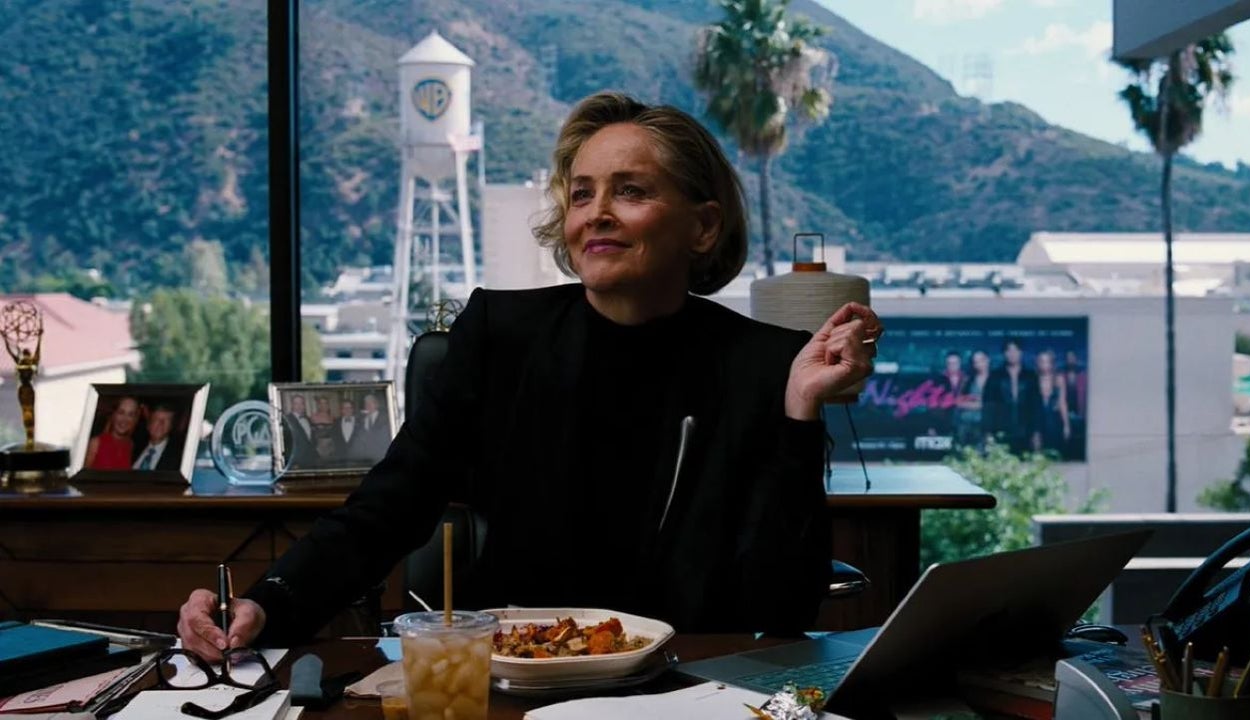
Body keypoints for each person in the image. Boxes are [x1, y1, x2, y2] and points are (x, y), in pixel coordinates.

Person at [176, 91, 881, 660]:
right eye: (581, 194)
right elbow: (387, 509)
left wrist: (799, 413)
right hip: (517, 675)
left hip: (687, 684)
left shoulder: (766, 363)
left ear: (702, 227)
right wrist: (269, 601)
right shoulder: (500, 335)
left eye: (630, 191)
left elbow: (784, 603)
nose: (596, 214)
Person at [983, 338, 1037, 453]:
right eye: (1009, 350)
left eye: (1015, 350)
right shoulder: (995, 376)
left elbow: (1036, 405)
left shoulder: (1030, 376)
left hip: (1025, 429)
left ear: (1021, 352)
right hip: (1001, 429)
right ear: (1004, 353)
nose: (1012, 354)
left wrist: (1036, 432)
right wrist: (988, 432)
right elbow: (988, 404)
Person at [84, 396, 140, 470]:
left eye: (130, 415)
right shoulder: (96, 443)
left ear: (135, 419)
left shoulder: (130, 445)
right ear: (113, 414)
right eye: (121, 412)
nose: (124, 419)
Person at [1031, 349, 1070, 455]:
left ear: (1052, 363)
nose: (1044, 364)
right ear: (1037, 363)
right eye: (1041, 361)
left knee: (1055, 452)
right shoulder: (1033, 379)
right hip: (1037, 421)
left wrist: (1066, 425)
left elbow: (1062, 402)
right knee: (1038, 453)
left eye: (1047, 361)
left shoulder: (1058, 379)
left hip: (1054, 420)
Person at [953, 349, 989, 450]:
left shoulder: (995, 378)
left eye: (981, 360)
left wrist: (981, 404)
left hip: (987, 425)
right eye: (975, 362)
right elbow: (958, 402)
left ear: (987, 360)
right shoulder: (967, 380)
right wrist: (978, 405)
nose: (979, 364)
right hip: (966, 423)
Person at [132, 403, 183, 471]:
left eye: (167, 420)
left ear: (171, 426)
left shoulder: (178, 457)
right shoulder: (134, 445)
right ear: (148, 423)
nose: (161, 424)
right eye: (156, 419)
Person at [346, 394, 391, 461]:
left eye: (371, 402)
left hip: (380, 456)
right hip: (364, 458)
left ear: (376, 404)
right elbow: (357, 438)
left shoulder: (385, 418)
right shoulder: (360, 419)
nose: (368, 405)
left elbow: (386, 439)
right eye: (366, 403)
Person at [281, 394, 318, 468]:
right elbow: (286, 444)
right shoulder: (286, 420)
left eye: (301, 403)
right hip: (296, 463)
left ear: (304, 406)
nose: (299, 406)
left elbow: (311, 440)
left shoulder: (308, 419)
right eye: (296, 403)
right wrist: (292, 463)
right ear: (292, 405)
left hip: (311, 461)